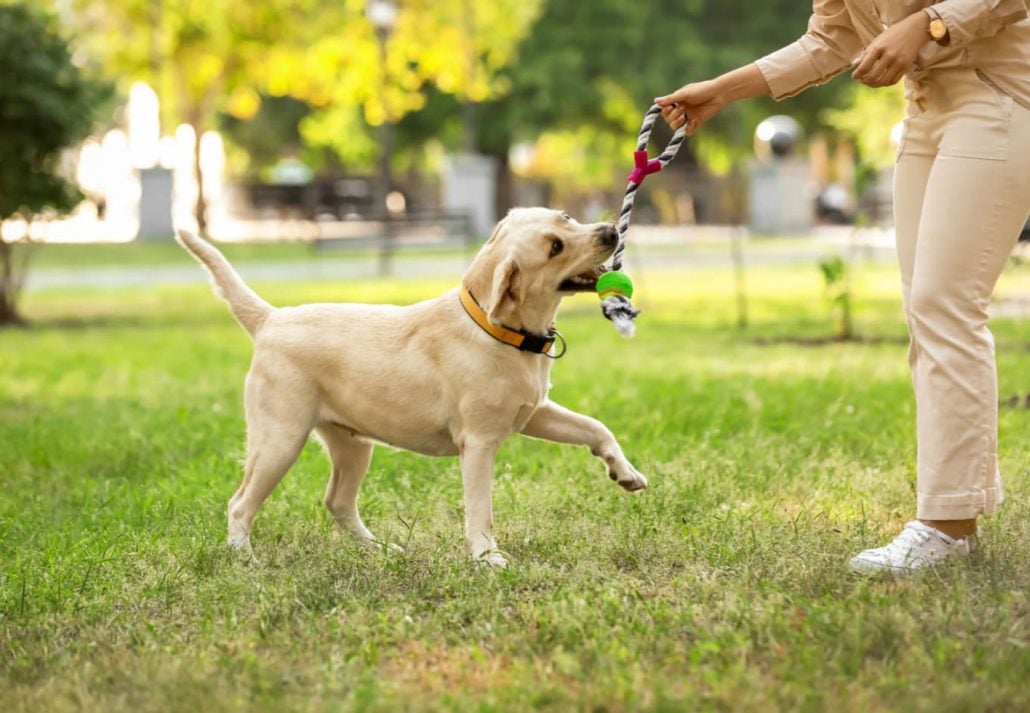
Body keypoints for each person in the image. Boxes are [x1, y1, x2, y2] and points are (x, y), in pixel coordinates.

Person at [657, 1, 1030, 575]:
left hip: (1000, 96)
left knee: (945, 306)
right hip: (927, 109)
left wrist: (926, 23)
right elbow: (827, 41)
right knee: (927, 313)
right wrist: (723, 91)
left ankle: (946, 527)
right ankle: (959, 513)